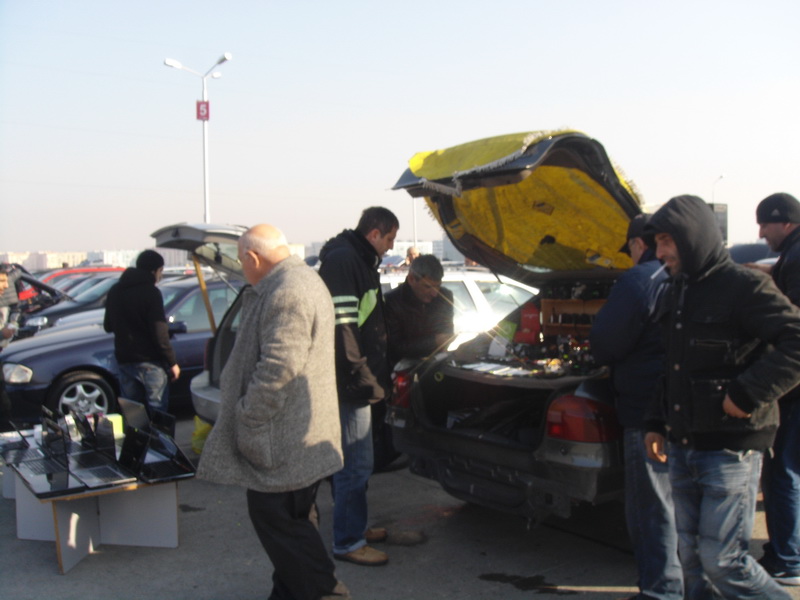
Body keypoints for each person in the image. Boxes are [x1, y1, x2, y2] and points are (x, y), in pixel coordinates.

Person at [643, 194, 800, 600]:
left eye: (666, 241)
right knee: (692, 558)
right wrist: (655, 421)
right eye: (657, 242)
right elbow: (673, 365)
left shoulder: (744, 286)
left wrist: (747, 393)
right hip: (683, 445)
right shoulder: (675, 289)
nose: (659, 252)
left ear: (692, 237)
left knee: (724, 561)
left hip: (730, 449)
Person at [197, 224, 349, 600]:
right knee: (294, 524)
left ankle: (327, 593)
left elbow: (279, 368)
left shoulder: (288, 289)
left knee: (281, 523)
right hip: (295, 435)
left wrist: (248, 416)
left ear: (252, 257)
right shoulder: (298, 280)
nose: (242, 268)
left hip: (282, 440)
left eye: (241, 261)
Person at [589, 214, 683, 600]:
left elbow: (605, 343)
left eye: (628, 249)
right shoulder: (691, 276)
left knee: (651, 507)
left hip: (647, 411)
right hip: (688, 408)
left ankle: (661, 590)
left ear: (639, 245)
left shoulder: (638, 280)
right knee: (681, 503)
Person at [318, 206, 399, 567]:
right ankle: (348, 542)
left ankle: (356, 527)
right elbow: (344, 329)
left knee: (356, 464)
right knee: (355, 464)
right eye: (390, 238)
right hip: (350, 385)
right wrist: (361, 376)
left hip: (359, 381)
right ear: (374, 234)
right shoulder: (344, 261)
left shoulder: (358, 260)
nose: (391, 246)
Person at [748, 192, 800, 586]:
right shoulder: (791, 256)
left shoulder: (796, 257)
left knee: (782, 470)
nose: (761, 233)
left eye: (765, 224)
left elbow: (791, 324)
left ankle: (786, 559)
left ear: (785, 221)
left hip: (794, 388)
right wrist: (764, 271)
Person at [104, 250, 180, 412]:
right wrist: (172, 362)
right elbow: (160, 333)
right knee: (157, 411)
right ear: (153, 271)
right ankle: (155, 431)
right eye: (160, 271)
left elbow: (108, 326)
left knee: (133, 413)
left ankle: (136, 430)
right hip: (150, 363)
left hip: (124, 360)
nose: (161, 276)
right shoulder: (151, 293)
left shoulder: (115, 290)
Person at [384, 254, 454, 367]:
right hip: (401, 368)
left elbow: (446, 333)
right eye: (427, 287)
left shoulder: (444, 297)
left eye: (437, 286)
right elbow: (394, 347)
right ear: (411, 279)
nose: (434, 293)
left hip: (436, 365)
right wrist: (434, 341)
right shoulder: (392, 301)